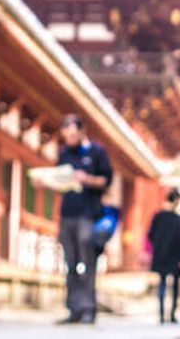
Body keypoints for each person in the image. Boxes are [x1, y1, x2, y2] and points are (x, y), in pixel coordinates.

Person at [55, 114, 112, 325]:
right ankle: (73, 308)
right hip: (67, 214)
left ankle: (89, 308)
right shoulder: (63, 154)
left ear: (81, 131)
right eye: (65, 135)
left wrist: (87, 179)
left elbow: (107, 181)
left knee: (87, 263)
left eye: (72, 134)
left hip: (88, 215)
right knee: (69, 263)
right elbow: (60, 180)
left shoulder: (97, 152)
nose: (69, 138)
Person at [148, 189, 180, 324]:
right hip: (175, 256)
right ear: (176, 200)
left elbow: (150, 235)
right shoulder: (178, 219)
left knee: (162, 283)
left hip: (160, 254)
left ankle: (161, 314)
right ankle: (172, 314)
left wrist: (158, 247)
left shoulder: (157, 216)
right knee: (175, 285)